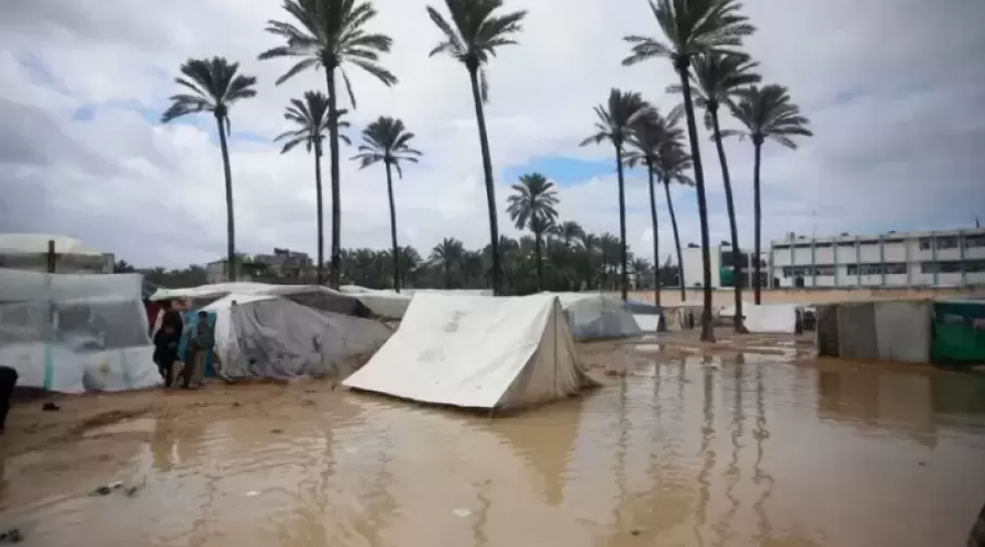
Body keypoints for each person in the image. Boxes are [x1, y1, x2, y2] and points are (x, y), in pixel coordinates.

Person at [182, 311, 214, 389]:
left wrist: (202, 344)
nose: (201, 319)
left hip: (202, 348)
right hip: (201, 348)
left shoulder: (205, 326)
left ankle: (197, 381)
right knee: (199, 365)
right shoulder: (204, 326)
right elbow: (196, 337)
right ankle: (197, 381)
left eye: (202, 317)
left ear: (204, 317)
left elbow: (200, 337)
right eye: (200, 317)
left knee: (200, 365)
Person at [153, 323, 179, 387]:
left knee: (168, 370)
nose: (171, 330)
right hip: (163, 357)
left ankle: (168, 383)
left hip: (168, 357)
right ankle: (167, 382)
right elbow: (159, 347)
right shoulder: (162, 336)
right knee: (164, 370)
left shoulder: (173, 336)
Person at [0, 366, 18, 432]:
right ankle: (1, 425)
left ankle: (1, 425)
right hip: (8, 380)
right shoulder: (11, 373)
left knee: (4, 404)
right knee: (4, 404)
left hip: (7, 380)